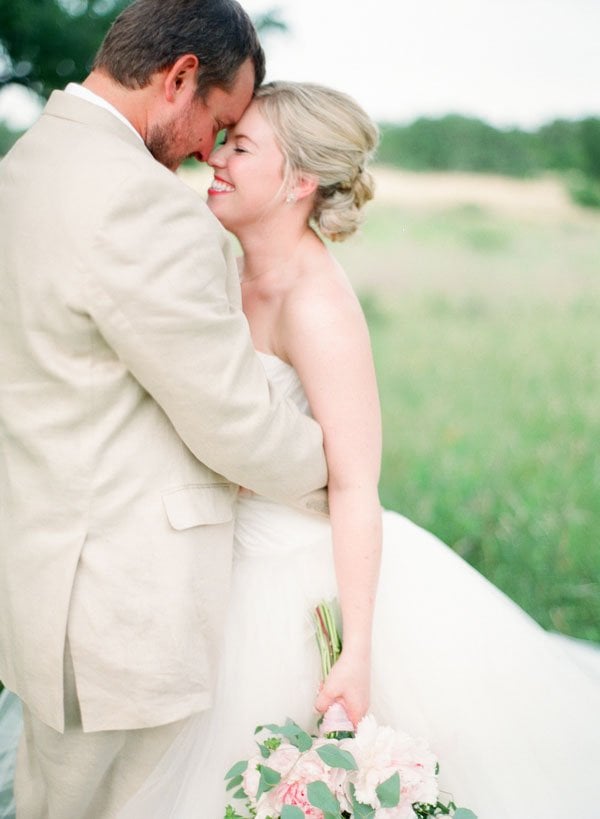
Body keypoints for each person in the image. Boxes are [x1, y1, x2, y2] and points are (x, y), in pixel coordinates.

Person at [115, 81, 600, 819]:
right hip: (198, 552)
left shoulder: (318, 306)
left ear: (298, 181)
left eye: (240, 147)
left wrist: (356, 648)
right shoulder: (220, 255)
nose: (215, 156)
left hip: (289, 573)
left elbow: (354, 483)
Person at [0, 3, 330, 815]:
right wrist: (344, 475)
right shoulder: (138, 202)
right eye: (217, 122)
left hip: (45, 583)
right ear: (179, 76)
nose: (210, 152)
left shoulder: (27, 164)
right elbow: (232, 418)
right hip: (119, 610)